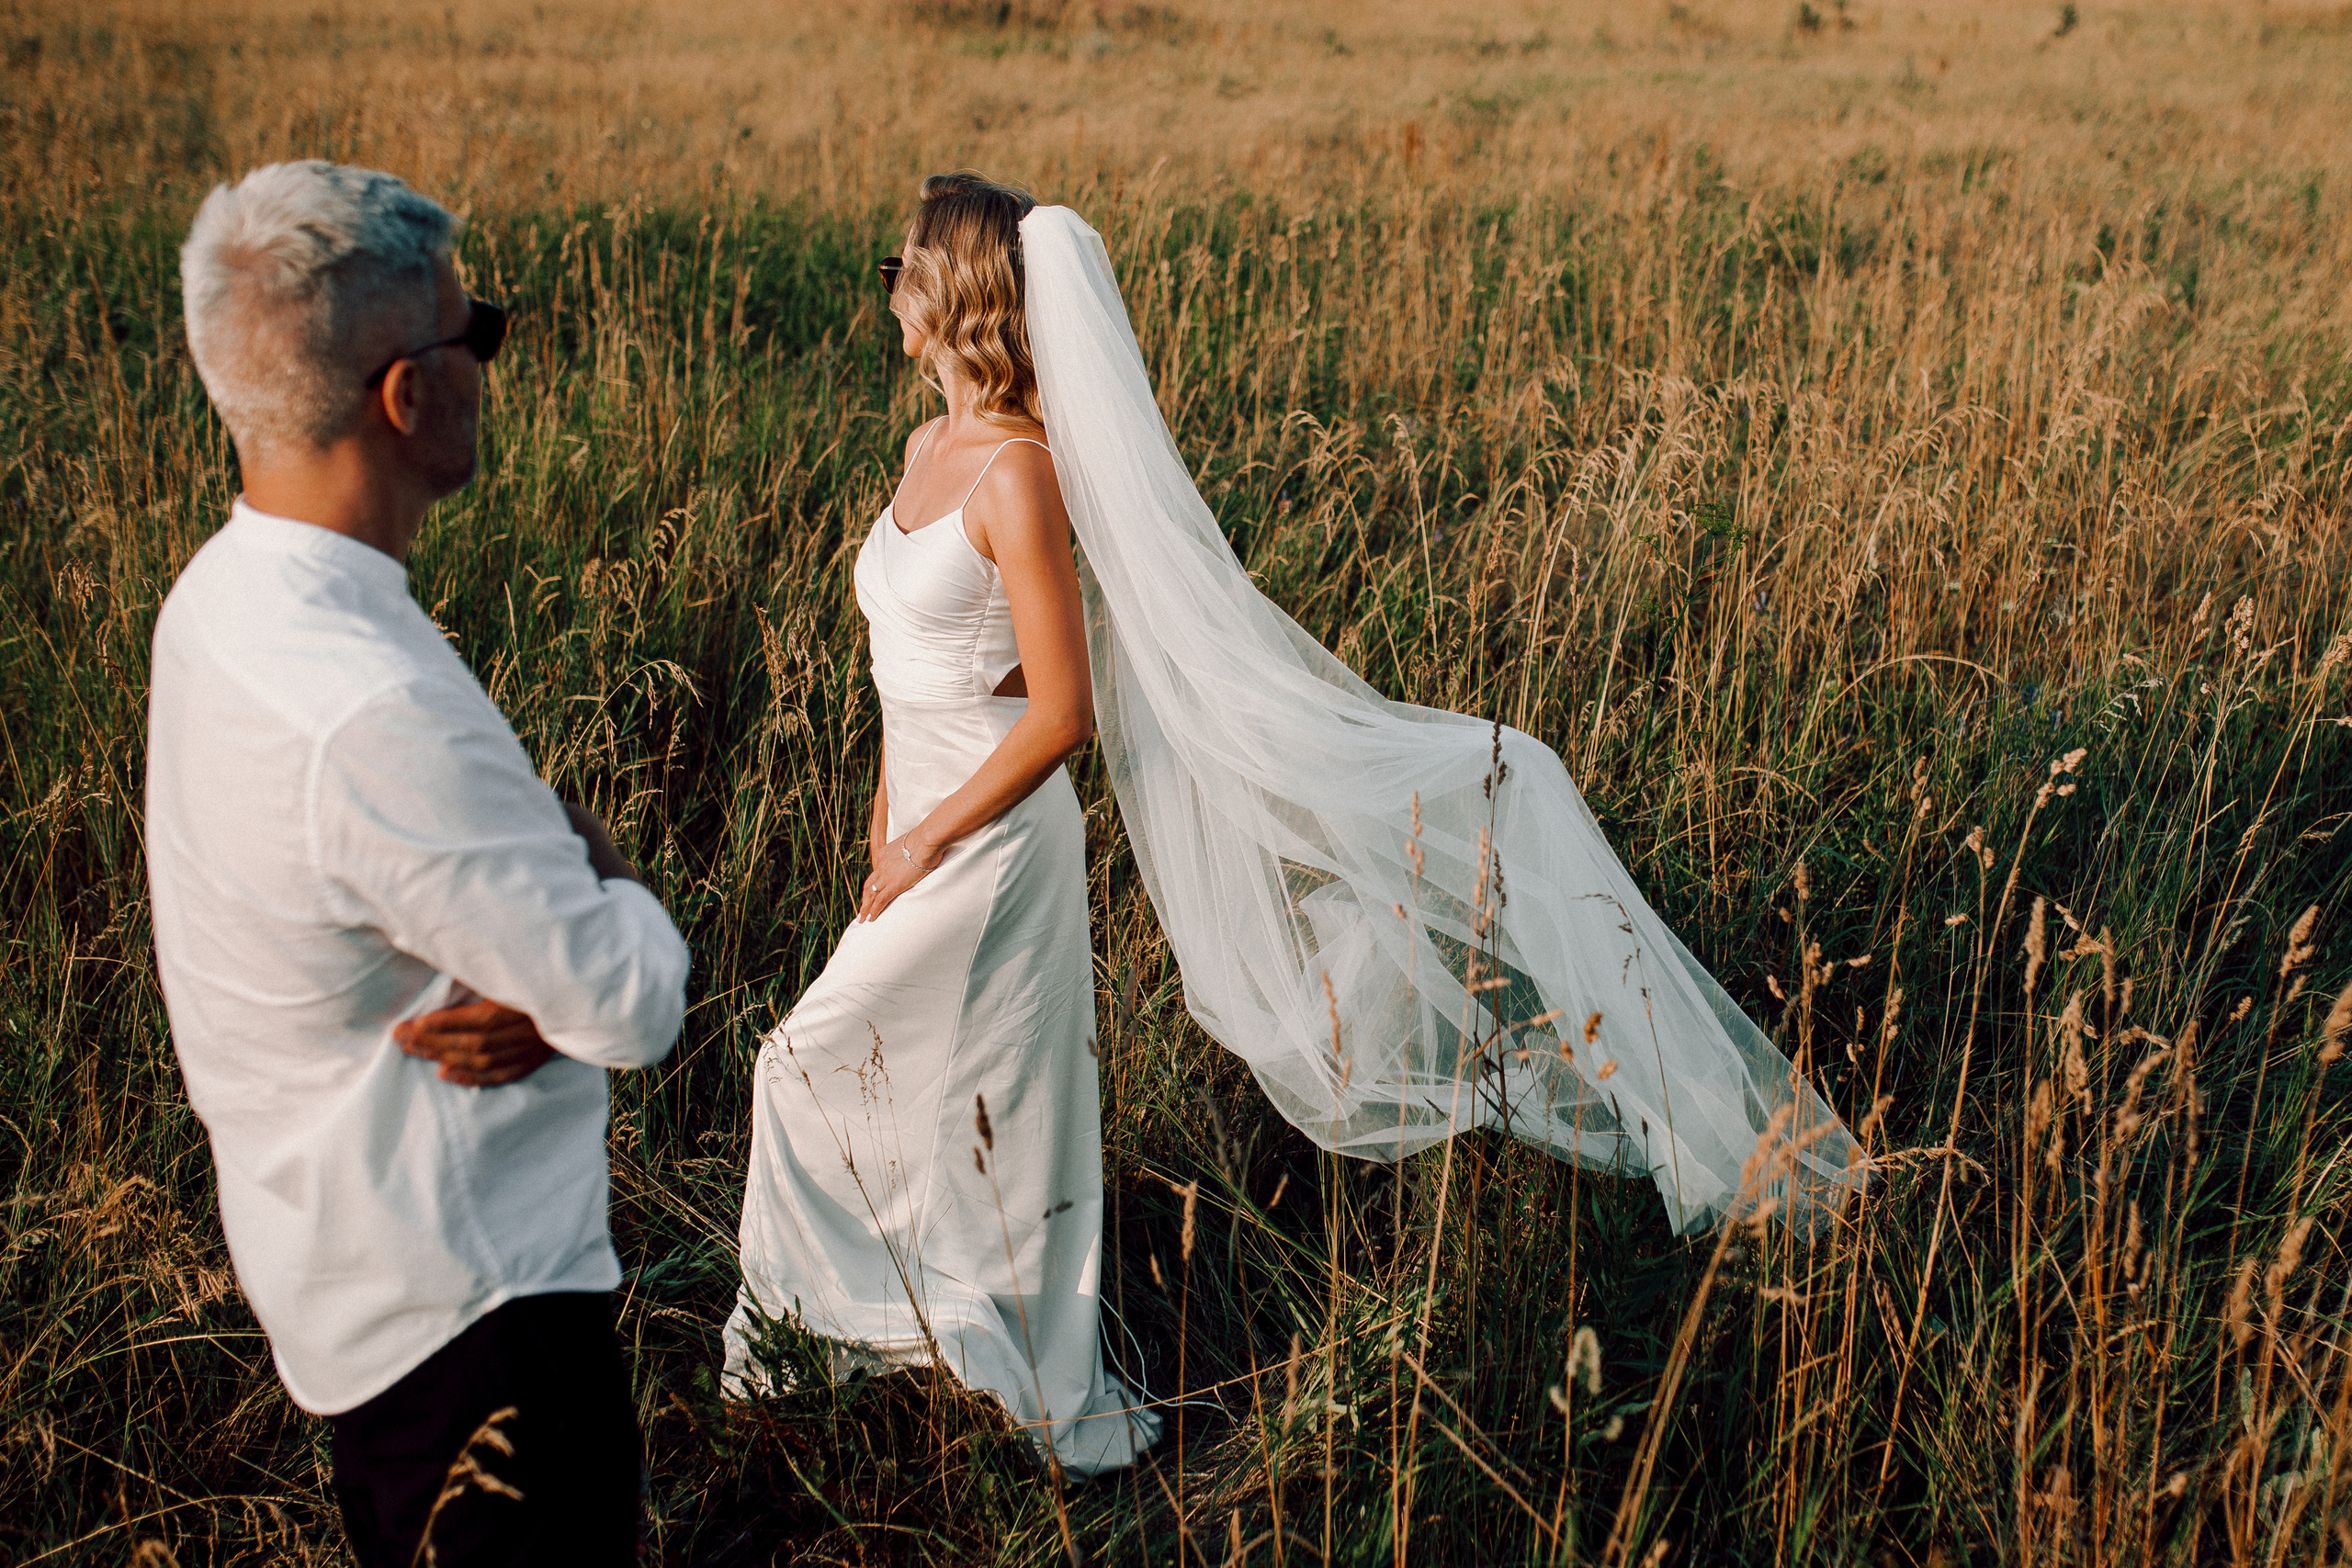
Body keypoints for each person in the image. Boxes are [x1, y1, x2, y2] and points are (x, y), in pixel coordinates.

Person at [148, 160, 690, 1565]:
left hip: (333, 1269)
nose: (487, 365)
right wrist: (590, 866)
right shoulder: (380, 708)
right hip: (480, 1316)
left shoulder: (216, 602)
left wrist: (532, 949)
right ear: (408, 395)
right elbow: (633, 1000)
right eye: (477, 335)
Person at [726, 174, 1160, 1476]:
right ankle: (914, 1333)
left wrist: (929, 838)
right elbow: (926, 665)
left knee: (798, 1067)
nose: (888, 287)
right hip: (919, 812)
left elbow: (1062, 709)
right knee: (928, 1087)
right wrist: (882, 809)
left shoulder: (1021, 472)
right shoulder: (927, 451)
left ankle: (819, 1344)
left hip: (990, 840)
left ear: (954, 291)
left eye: (901, 264)